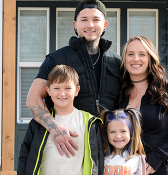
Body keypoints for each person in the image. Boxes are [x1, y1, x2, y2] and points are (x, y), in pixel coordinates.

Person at [25, 0, 122, 160]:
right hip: (67, 145)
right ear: (75, 25)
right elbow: (32, 100)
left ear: (105, 25)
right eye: (84, 20)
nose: (90, 24)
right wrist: (55, 129)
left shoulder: (117, 62)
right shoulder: (56, 59)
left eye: (96, 20)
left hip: (107, 148)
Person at [117, 36, 168, 175]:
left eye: (142, 54)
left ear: (150, 58)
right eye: (130, 54)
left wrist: (156, 158)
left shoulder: (167, 88)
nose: (135, 59)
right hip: (130, 168)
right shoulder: (120, 92)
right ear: (125, 58)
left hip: (164, 167)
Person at [18, 65, 104, 175]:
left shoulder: (89, 122)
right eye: (56, 88)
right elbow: (25, 157)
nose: (62, 93)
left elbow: (97, 162)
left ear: (77, 90)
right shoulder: (38, 124)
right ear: (48, 90)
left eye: (68, 88)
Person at [100, 108, 146, 175]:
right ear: (106, 134)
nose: (118, 136)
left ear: (131, 132)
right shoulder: (101, 158)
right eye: (112, 132)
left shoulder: (138, 158)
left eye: (123, 131)